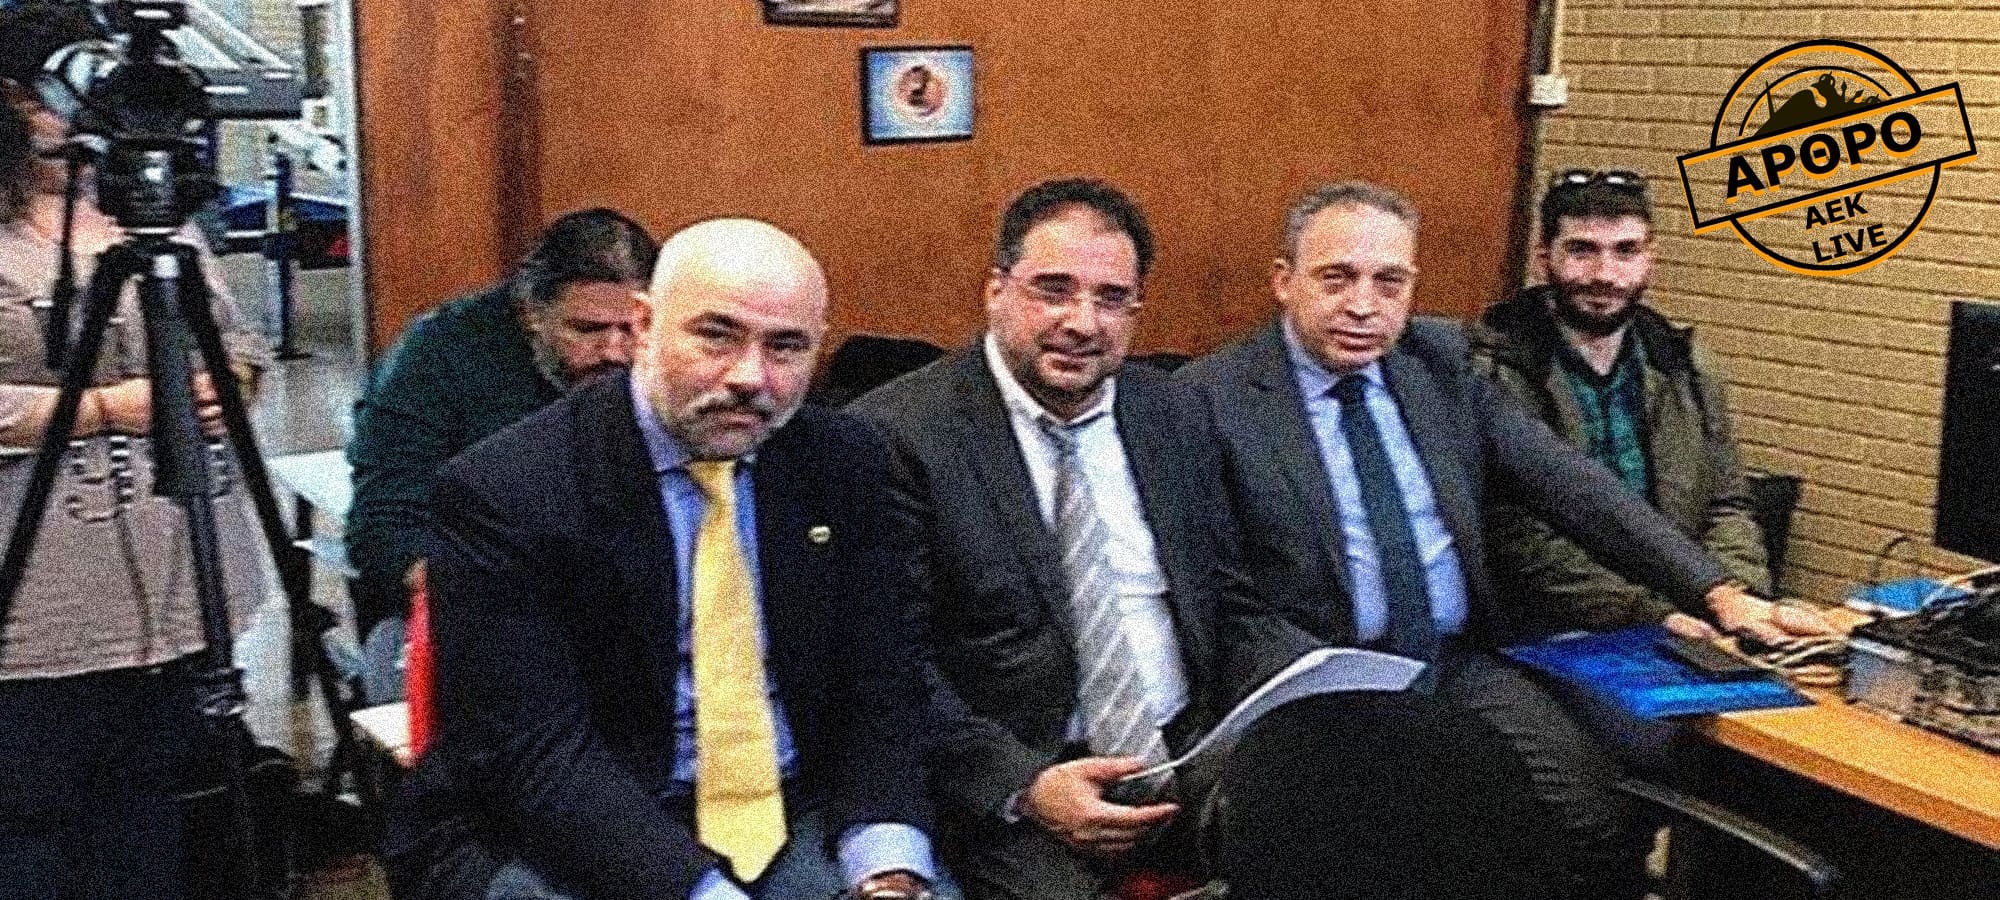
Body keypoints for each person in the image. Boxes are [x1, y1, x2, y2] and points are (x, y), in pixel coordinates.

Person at [1179, 180, 1832, 899]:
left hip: (1455, 659)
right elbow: (1222, 598)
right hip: (1324, 678)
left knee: (1591, 812)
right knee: (1419, 830)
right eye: (1337, 278)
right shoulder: (1212, 398)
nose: (1364, 305)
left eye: (1390, 282)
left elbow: (1573, 488)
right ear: (1284, 281)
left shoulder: (1438, 364)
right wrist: (1345, 686)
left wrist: (1719, 592)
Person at [383, 219, 947, 900]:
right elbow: (536, 755)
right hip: (573, 821)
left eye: (786, 346)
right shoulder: (507, 490)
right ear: (645, 326)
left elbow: (882, 688)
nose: (750, 377)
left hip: (795, 809)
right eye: (716, 336)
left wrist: (886, 864)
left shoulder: (847, 461)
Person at [850, 178, 1317, 900]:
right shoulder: (897, 437)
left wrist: (1312, 682)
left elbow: (1227, 600)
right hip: (1021, 780)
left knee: (1345, 837)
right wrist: (1025, 787)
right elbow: (895, 666)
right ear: (996, 291)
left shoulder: (1174, 413)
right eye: (1054, 290)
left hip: (1187, 751)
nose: (1082, 322)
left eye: (1110, 298)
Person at [0, 3, 274, 897]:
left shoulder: (159, 225)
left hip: (176, 587)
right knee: (32, 823)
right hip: (37, 604)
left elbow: (237, 345)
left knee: (148, 816)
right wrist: (112, 408)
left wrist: (231, 382)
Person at [344, 208, 656, 701]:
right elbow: (385, 531)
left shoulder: (667, 356)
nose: (615, 352)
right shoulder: (438, 354)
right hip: (477, 607)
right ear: (531, 314)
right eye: (587, 330)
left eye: (634, 330)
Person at [1470, 169, 1771, 640]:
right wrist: (1654, 613)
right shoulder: (1491, 367)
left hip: (1691, 609)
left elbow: (1727, 504)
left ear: (1651, 258)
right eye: (1582, 250)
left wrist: (1737, 595)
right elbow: (1512, 535)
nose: (1605, 275)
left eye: (1626, 251)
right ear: (1544, 258)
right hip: (1550, 627)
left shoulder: (1684, 363)